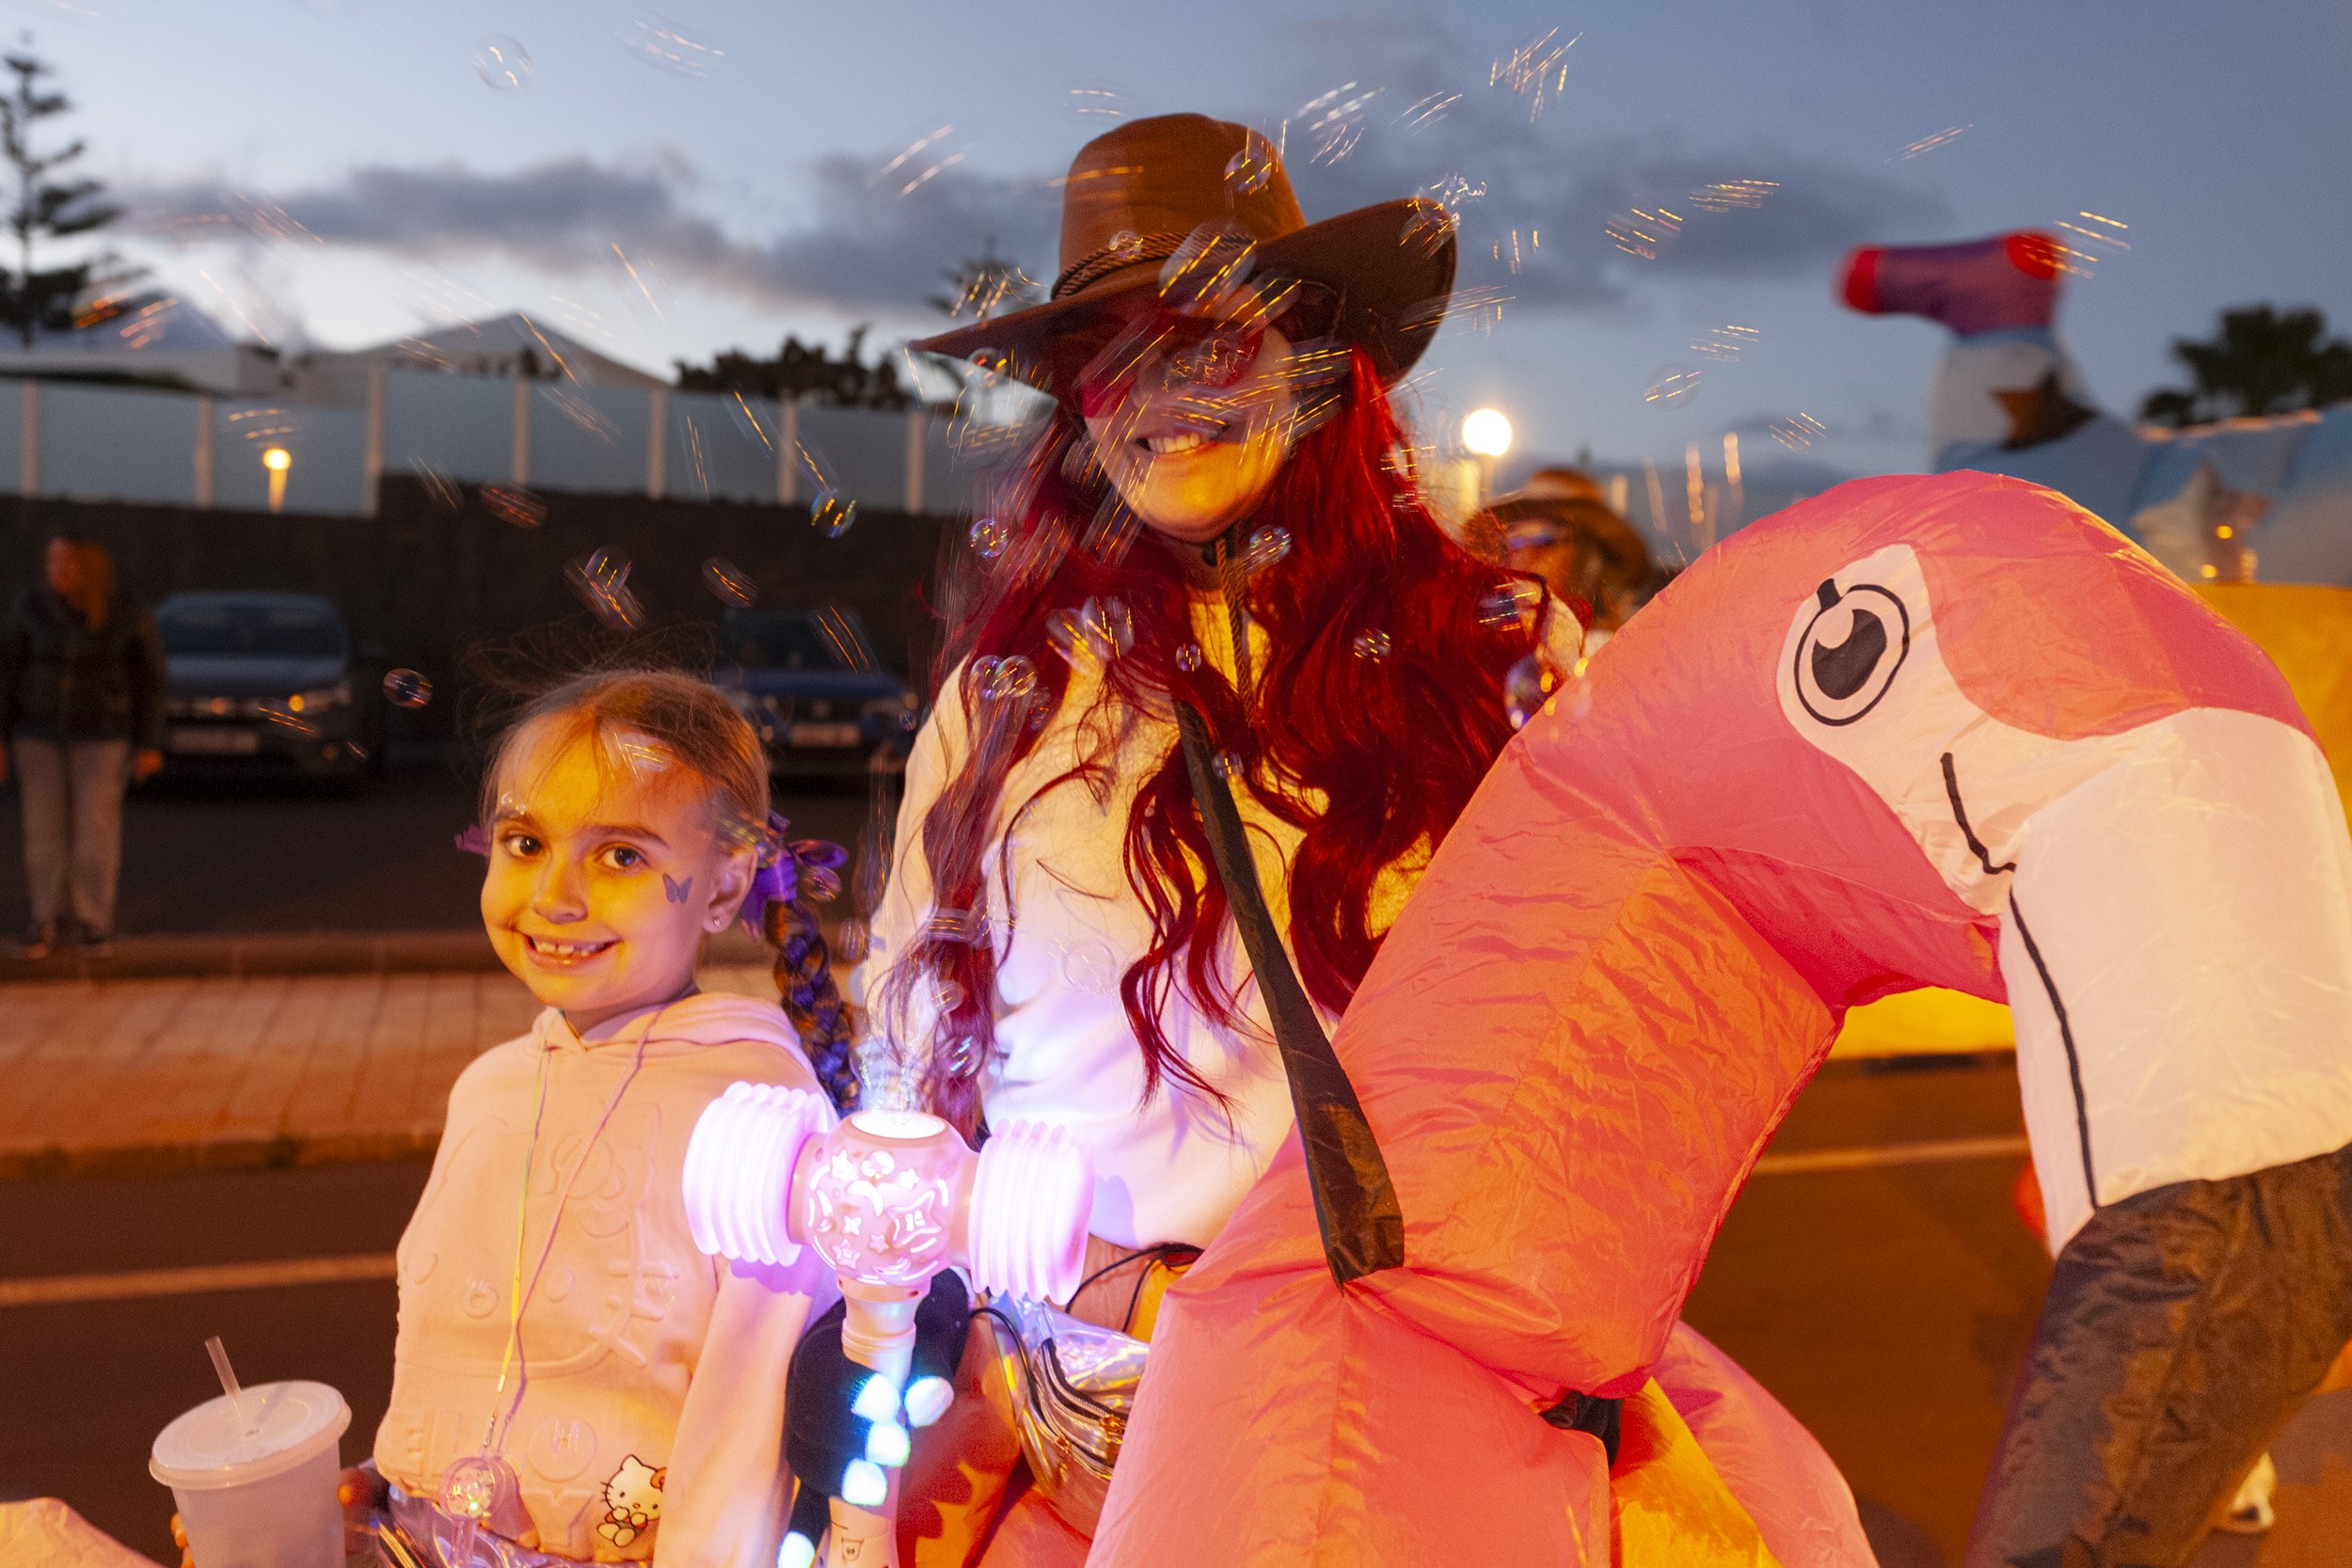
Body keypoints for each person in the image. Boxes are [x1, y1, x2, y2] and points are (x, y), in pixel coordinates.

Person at [785, 114, 1870, 1567]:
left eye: (1210, 335)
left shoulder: (1498, 657)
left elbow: (1635, 1022)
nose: (1158, 391)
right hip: (1117, 1433)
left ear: (1318, 361)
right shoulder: (1004, 711)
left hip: (1433, 1430)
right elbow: (906, 1089)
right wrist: (1064, 1269)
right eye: (1112, 350)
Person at [366, 668, 856, 1568]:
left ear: (720, 888)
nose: (554, 895)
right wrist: (376, 1480)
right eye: (523, 841)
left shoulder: (754, 1120)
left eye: (621, 855)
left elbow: (747, 1438)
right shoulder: (488, 1086)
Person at [0, 535, 166, 957]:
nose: (56, 570)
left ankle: (93, 920)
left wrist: (149, 743)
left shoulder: (124, 612)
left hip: (102, 734)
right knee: (42, 830)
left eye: (66, 561)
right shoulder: (31, 608)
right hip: (37, 735)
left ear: (88, 566)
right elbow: (7, 673)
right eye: (52, 561)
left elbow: (150, 679)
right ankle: (45, 917)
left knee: (95, 828)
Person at [1485, 467, 1654, 645]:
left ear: (1589, 558)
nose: (1524, 550)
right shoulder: (1484, 629)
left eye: (1544, 539)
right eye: (1512, 536)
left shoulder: (1603, 648)